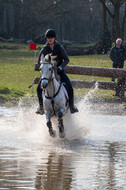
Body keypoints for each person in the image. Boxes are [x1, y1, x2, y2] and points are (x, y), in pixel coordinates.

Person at [36, 29, 78, 115]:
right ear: (46, 39)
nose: (50, 39)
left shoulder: (59, 47)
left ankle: (72, 106)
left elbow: (67, 59)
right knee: (38, 89)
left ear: (54, 38)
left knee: (69, 86)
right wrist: (43, 68)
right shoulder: (44, 49)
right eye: (48, 38)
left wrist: (61, 67)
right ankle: (41, 107)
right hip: (48, 73)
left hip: (59, 71)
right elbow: (38, 62)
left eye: (51, 37)